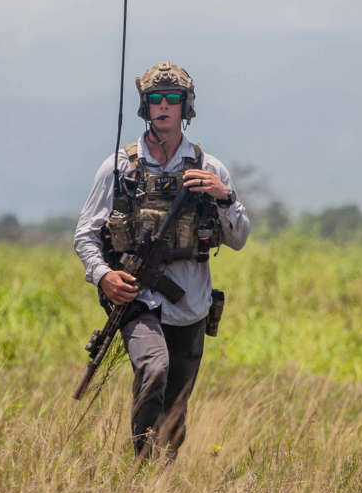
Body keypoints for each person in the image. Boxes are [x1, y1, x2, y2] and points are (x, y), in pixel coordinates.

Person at [74, 62, 250, 457]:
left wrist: (225, 197)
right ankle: (141, 465)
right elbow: (85, 234)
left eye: (173, 98)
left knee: (175, 410)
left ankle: (161, 482)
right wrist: (104, 276)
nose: (164, 105)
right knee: (153, 369)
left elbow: (239, 238)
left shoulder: (210, 168)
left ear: (186, 106)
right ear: (145, 106)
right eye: (156, 98)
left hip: (190, 305)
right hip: (138, 299)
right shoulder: (120, 167)